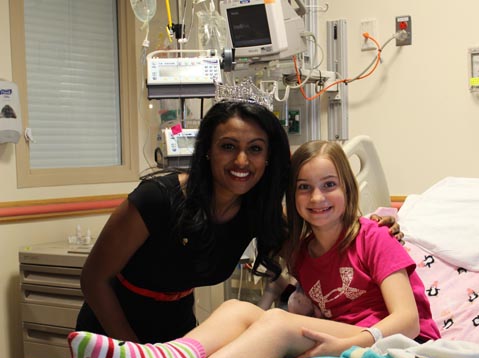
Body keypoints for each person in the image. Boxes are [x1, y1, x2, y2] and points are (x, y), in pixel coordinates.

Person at [64, 140, 440, 358]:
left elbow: (408, 321)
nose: (317, 197)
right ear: (292, 196)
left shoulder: (374, 237)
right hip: (345, 338)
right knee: (236, 309)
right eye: (303, 187)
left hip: (398, 344)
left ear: (348, 188)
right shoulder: (301, 252)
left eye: (329, 184)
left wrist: (343, 344)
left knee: (276, 322)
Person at [75, 100, 402, 344]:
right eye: (228, 147)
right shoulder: (157, 199)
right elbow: (93, 278)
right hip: (113, 327)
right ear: (208, 150)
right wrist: (132, 353)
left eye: (255, 149)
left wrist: (371, 229)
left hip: (176, 329)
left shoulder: (256, 210)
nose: (242, 160)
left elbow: (318, 234)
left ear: (268, 157)